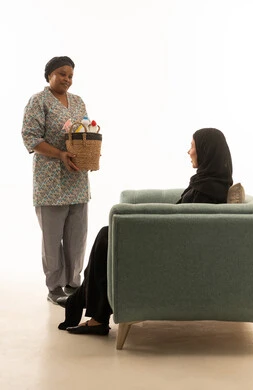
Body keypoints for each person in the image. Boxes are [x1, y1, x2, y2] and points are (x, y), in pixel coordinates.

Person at [57, 127, 233, 335]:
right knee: (107, 236)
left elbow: (184, 227)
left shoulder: (206, 190)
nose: (189, 152)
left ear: (206, 151)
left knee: (106, 236)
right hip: (175, 245)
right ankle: (87, 304)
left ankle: (91, 311)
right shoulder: (210, 183)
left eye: (192, 146)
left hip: (173, 254)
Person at [22, 56, 90, 304]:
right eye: (62, 73)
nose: (67, 79)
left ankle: (74, 283)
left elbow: (85, 134)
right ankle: (55, 288)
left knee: (77, 235)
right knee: (52, 238)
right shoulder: (38, 101)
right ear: (49, 74)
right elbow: (30, 137)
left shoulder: (78, 102)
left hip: (76, 176)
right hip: (50, 178)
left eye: (71, 75)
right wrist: (60, 153)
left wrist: (88, 153)